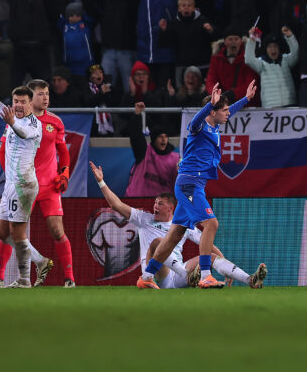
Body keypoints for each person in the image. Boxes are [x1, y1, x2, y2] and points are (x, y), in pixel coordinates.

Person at [138, 80, 257, 290]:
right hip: (189, 185)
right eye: (224, 110)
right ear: (212, 111)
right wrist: (210, 105)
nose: (229, 113)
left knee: (175, 233)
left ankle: (146, 277)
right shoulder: (199, 126)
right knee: (211, 224)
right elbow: (195, 119)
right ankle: (205, 275)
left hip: (195, 185)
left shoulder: (214, 126)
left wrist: (246, 99)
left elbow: (228, 110)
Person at [90, 162, 266, 289]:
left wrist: (225, 266)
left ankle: (250, 279)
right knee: (159, 241)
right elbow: (116, 204)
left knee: (209, 257)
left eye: (160, 203)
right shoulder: (144, 219)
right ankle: (169, 277)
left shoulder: (184, 225)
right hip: (160, 274)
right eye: (155, 202)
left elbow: (209, 244)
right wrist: (101, 182)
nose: (155, 206)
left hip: (178, 275)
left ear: (171, 207)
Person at [0, 54, 45, 288]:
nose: (18, 105)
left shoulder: (34, 125)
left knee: (17, 232)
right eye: (15, 101)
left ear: (31, 104)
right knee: (2, 232)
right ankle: (40, 261)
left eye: (23, 102)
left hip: (24, 184)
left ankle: (25, 278)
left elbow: (23, 133)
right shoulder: (12, 114)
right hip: (10, 184)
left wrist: (12, 123)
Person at [0, 79, 74, 286]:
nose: (45, 97)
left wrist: (64, 174)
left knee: (57, 230)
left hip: (49, 186)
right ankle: (0, 277)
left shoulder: (55, 122)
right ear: (30, 99)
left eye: (47, 93)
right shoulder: (15, 121)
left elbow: (63, 152)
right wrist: (10, 175)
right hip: (22, 184)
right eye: (40, 94)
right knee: (11, 230)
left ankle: (69, 279)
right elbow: (3, 151)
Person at [126, 101, 180, 198]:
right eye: (160, 137)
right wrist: (137, 115)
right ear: (154, 139)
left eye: (166, 136)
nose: (164, 140)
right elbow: (135, 135)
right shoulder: (144, 151)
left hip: (162, 204)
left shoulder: (175, 159)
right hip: (137, 201)